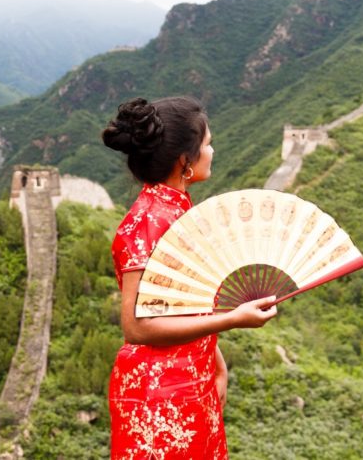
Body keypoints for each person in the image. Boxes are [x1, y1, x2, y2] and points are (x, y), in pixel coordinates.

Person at [102, 96, 278, 459]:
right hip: (158, 395)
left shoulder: (178, 213)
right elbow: (135, 327)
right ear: (185, 160)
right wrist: (232, 320)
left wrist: (217, 365)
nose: (212, 150)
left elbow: (187, 306)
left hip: (193, 381)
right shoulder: (146, 224)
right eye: (208, 143)